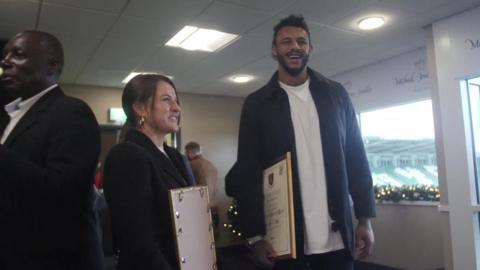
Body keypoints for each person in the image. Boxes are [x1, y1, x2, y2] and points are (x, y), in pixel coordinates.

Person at [225, 15, 376, 270]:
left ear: (310, 48)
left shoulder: (335, 95)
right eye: (286, 41)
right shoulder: (257, 104)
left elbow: (356, 157)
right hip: (287, 242)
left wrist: (365, 218)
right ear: (275, 50)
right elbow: (248, 172)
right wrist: (255, 236)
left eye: (301, 41)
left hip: (338, 240)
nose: (294, 46)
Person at [0, 30, 103, 269]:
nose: (5, 61)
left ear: (52, 65)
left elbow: (63, 192)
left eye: (18, 54)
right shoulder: (10, 117)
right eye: (5, 55)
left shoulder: (71, 112)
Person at [103, 74, 195, 270]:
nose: (177, 108)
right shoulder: (126, 156)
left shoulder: (176, 157)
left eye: (176, 100)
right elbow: (139, 243)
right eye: (166, 99)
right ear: (140, 108)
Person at [185, 141, 218, 205]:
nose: (185, 154)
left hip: (199, 201)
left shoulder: (191, 164)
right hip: (213, 202)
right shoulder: (210, 164)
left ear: (190, 152)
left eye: (186, 152)